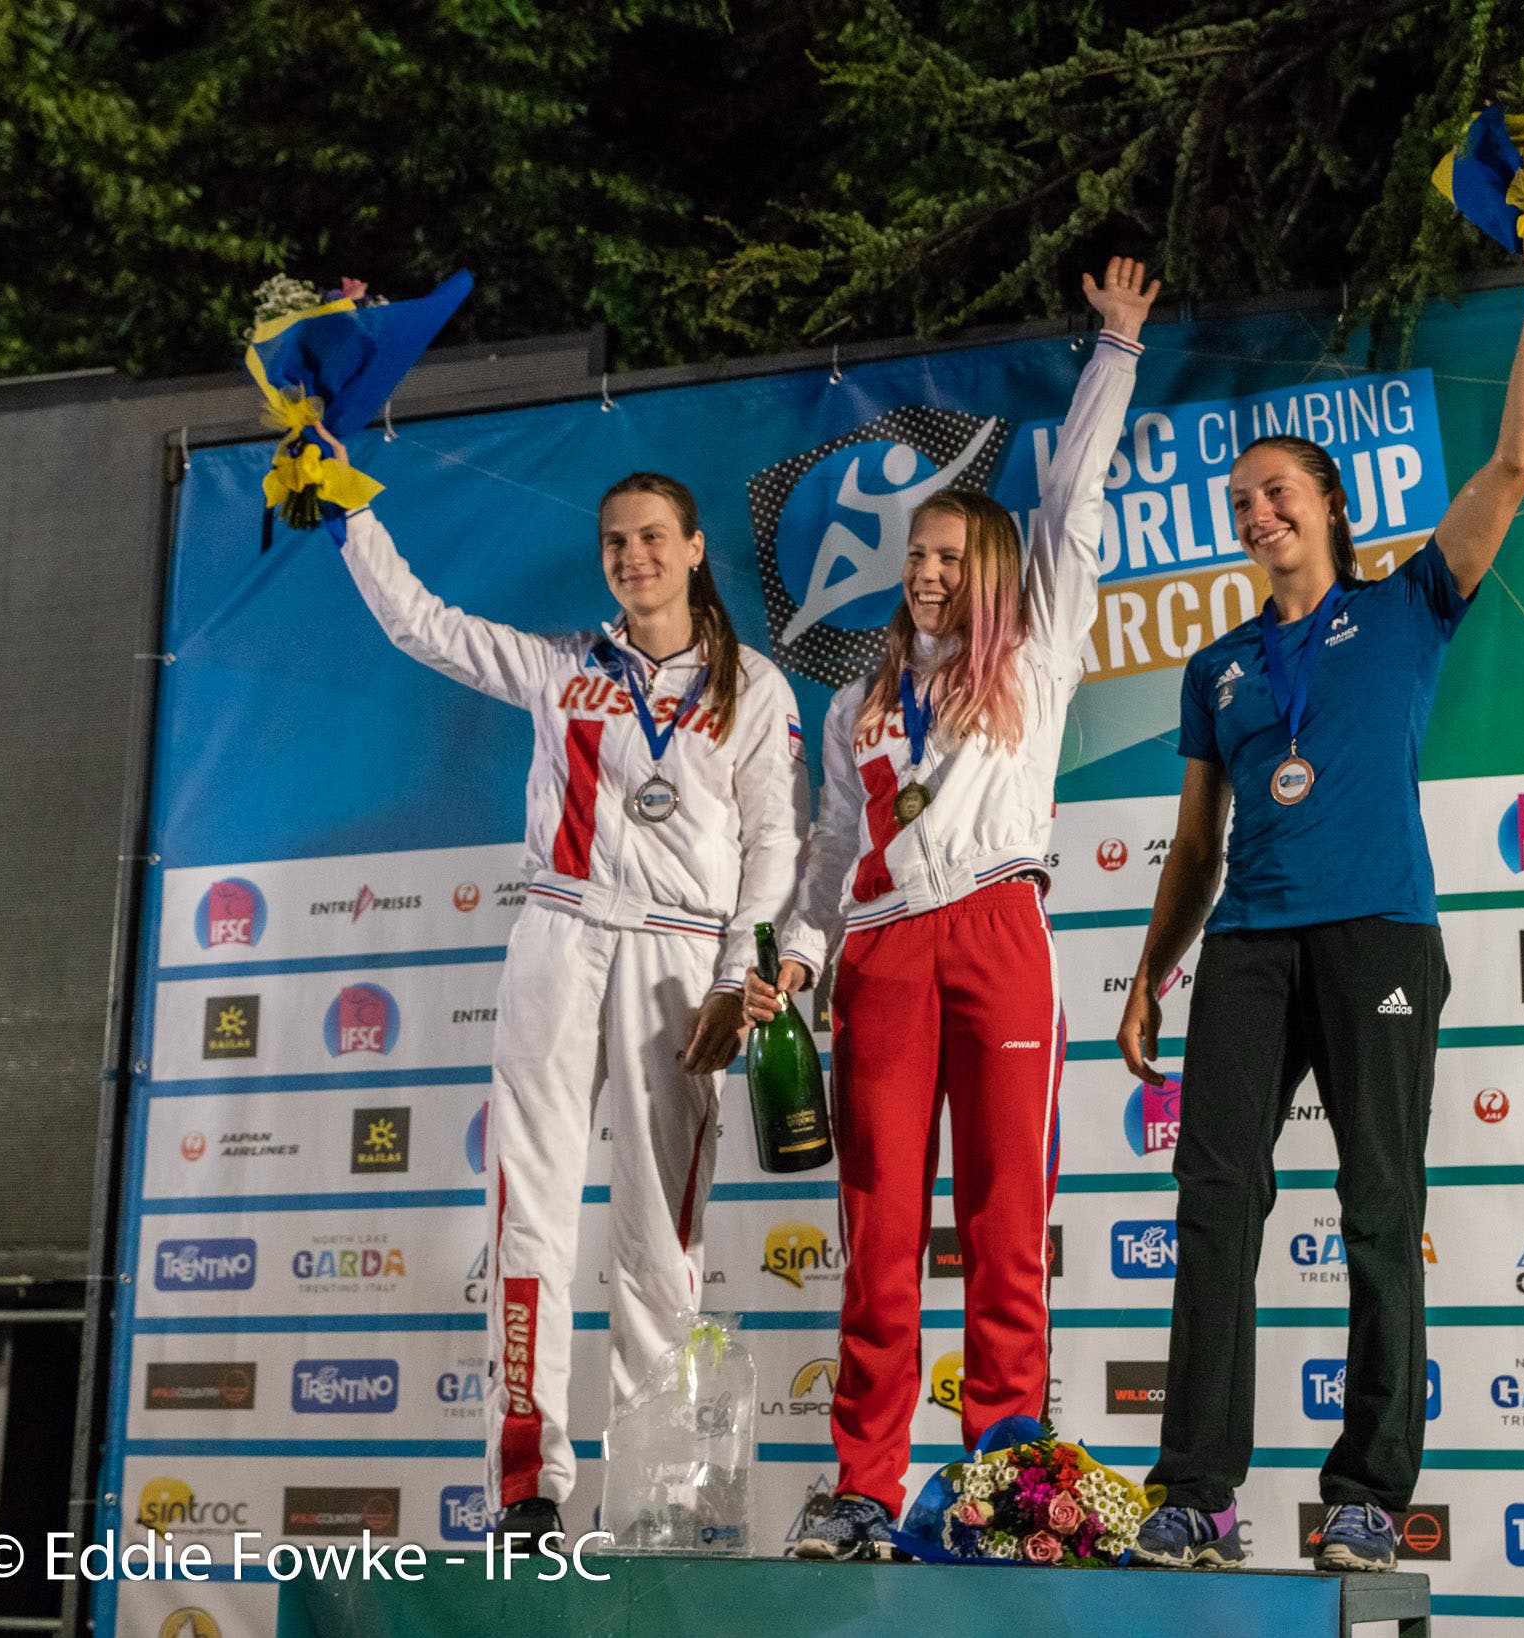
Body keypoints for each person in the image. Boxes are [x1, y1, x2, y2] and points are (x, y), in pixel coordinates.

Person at [1117, 245, 1524, 1571]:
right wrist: (1151, 969)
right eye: (1237, 499)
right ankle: (1195, 1490)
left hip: (1378, 932)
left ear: (1329, 504)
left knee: (1378, 1201)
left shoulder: (1412, 604)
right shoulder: (1219, 668)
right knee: (1216, 1205)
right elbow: (1198, 842)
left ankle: (1368, 1492)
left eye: (1274, 492)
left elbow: (1517, 460)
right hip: (1247, 943)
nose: (1252, 511)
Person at [743, 258, 1159, 1560]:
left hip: (995, 928)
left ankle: (1001, 1481)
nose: (923, 570)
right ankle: (865, 1486)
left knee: (1000, 1221)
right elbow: (827, 851)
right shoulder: (854, 702)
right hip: (877, 957)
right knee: (876, 1237)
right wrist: (800, 966)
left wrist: (1115, 355)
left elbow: (1074, 505)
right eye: (913, 554)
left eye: (944, 551)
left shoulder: (1032, 652)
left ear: (983, 561)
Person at [330, 471, 808, 1545]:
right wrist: (351, 511)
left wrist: (742, 975)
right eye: (613, 542)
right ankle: (525, 1489)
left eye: (651, 538)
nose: (631, 557)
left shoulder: (755, 687)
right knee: (530, 1217)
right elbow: (424, 629)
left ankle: (655, 1491)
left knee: (659, 1234)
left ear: (693, 549)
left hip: (682, 955)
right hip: (559, 930)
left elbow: (775, 843)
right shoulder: (560, 667)